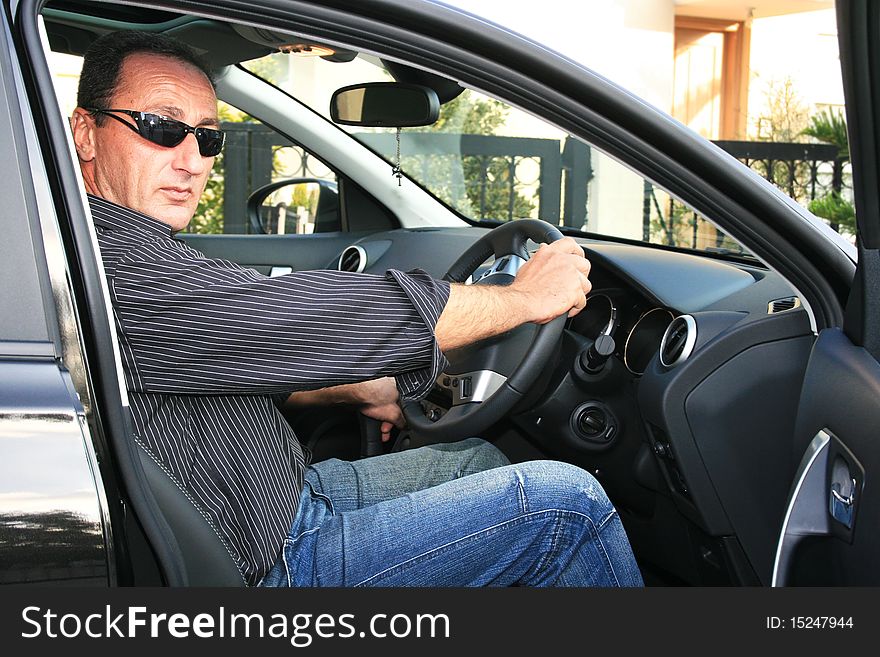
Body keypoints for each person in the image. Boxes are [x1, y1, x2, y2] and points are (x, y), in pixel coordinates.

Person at [70, 30, 643, 587]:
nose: (193, 160)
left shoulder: (133, 246)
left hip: (286, 499)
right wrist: (522, 299)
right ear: (86, 134)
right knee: (567, 507)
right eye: (162, 128)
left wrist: (364, 389)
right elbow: (302, 317)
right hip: (278, 562)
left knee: (476, 458)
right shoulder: (113, 263)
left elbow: (229, 355)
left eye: (209, 138)